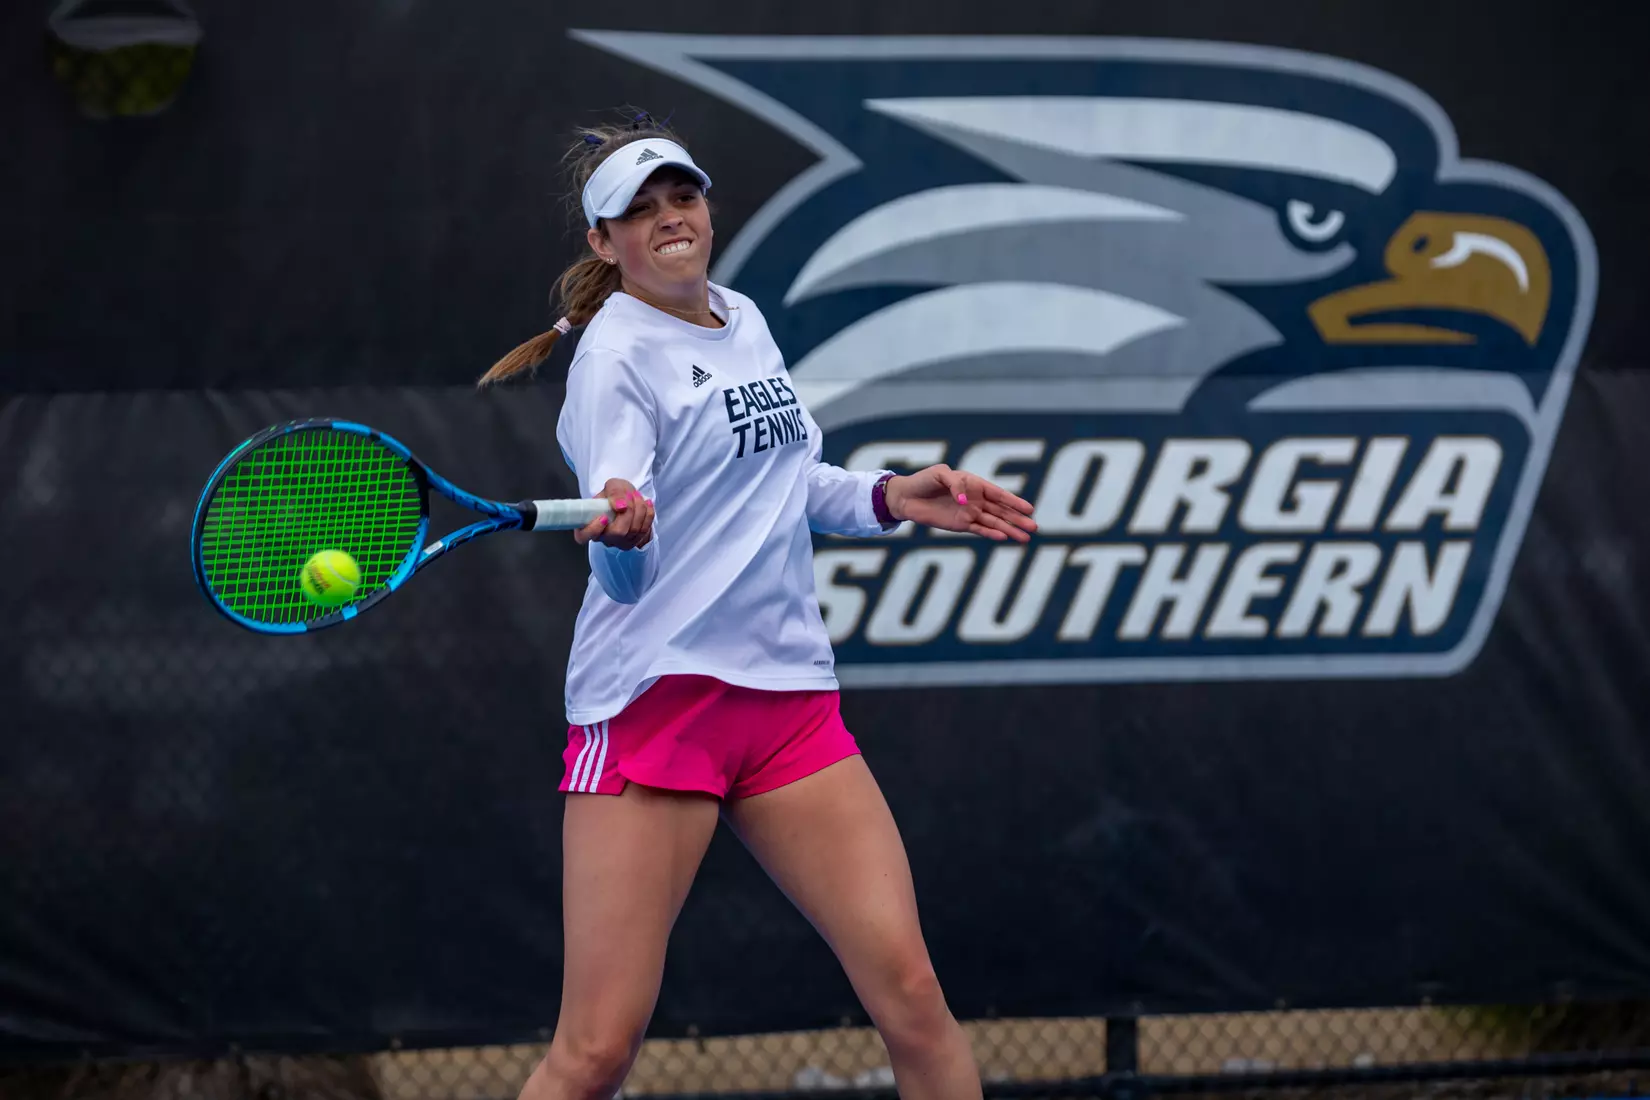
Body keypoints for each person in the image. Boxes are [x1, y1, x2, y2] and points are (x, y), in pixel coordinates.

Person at [478, 112, 1038, 1100]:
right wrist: (623, 535)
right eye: (638, 213)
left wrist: (885, 495)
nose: (668, 220)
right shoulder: (616, 357)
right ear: (604, 244)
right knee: (596, 1051)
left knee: (912, 995)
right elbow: (622, 554)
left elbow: (782, 480)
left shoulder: (740, 318)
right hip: (658, 708)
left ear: (705, 205)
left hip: (787, 705)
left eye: (680, 197)